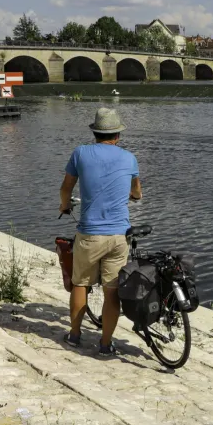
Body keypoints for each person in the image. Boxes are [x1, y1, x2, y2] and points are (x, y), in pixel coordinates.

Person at [59, 108, 142, 355]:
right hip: (118, 237)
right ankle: (105, 344)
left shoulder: (81, 153)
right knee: (112, 292)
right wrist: (130, 194)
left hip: (90, 235)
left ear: (95, 133)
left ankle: (74, 336)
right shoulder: (129, 158)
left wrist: (64, 205)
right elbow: (137, 192)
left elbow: (66, 187)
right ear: (117, 136)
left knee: (80, 285)